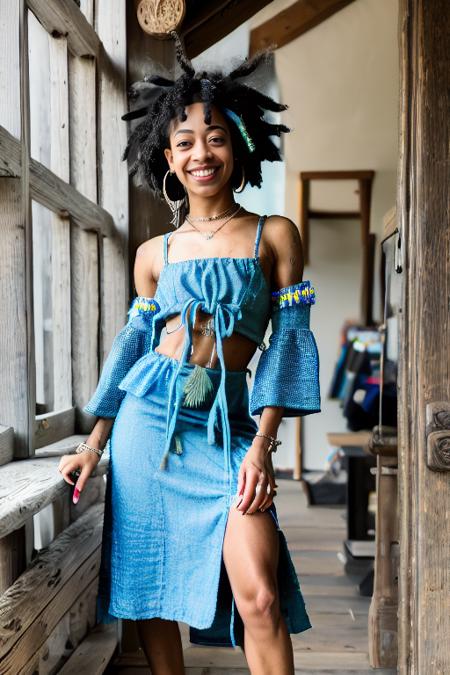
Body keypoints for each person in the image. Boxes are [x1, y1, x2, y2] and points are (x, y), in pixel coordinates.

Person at [58, 36, 321, 675]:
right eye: (184, 142)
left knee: (259, 595)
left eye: (215, 137)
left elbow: (287, 345)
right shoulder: (154, 254)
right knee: (150, 595)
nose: (201, 152)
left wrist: (262, 446)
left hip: (230, 429)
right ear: (167, 159)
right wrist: (94, 444)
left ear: (239, 145)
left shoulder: (274, 234)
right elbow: (132, 353)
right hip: (150, 424)